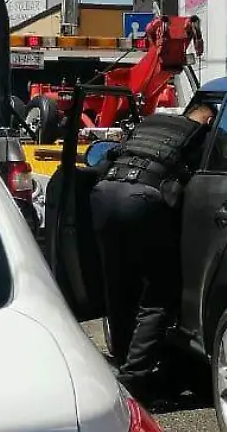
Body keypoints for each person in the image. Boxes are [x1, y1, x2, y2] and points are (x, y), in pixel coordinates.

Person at [90, 99, 218, 395]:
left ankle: (124, 363)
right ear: (210, 122)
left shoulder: (150, 122)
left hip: (104, 193)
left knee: (119, 287)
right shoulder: (200, 136)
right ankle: (136, 376)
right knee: (159, 294)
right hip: (143, 199)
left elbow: (109, 156)